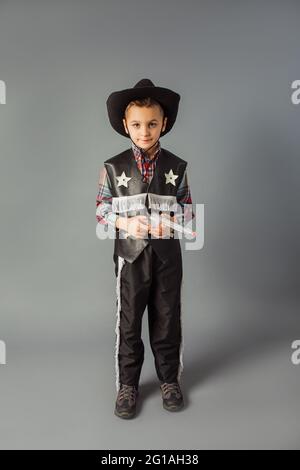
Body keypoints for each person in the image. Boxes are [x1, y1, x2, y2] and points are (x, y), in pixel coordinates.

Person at [96, 78, 195, 419]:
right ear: (125, 125)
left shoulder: (177, 167)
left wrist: (169, 222)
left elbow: (189, 209)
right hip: (131, 256)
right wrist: (125, 224)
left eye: (152, 123)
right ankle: (128, 385)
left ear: (163, 123)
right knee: (129, 321)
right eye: (137, 124)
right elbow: (101, 209)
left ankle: (169, 380)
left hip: (167, 257)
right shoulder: (112, 167)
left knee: (167, 319)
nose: (145, 131)